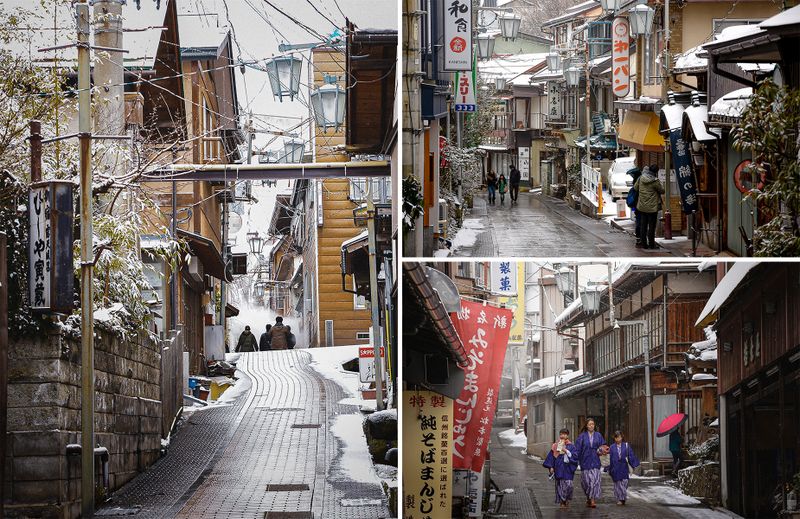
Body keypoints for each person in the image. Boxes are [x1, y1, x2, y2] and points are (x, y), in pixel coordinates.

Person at [543, 428, 579, 510]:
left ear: (568, 435)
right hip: (559, 467)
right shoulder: (555, 445)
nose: (563, 436)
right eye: (561, 434)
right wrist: (551, 467)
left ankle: (566, 499)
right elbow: (551, 457)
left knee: (569, 485)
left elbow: (575, 457)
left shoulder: (571, 446)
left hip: (568, 468)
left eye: (565, 434)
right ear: (560, 435)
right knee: (560, 485)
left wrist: (566, 451)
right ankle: (562, 501)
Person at [575, 417, 606, 508]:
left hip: (595, 461)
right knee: (586, 482)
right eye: (589, 424)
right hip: (585, 461)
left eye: (592, 424)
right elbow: (577, 450)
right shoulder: (582, 436)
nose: (591, 426)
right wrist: (575, 461)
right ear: (586, 426)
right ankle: (588, 497)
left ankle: (592, 500)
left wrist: (602, 450)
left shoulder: (598, 435)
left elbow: (603, 446)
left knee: (595, 481)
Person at [604, 430, 640, 505]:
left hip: (624, 467)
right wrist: (608, 467)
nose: (618, 439)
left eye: (619, 437)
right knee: (618, 484)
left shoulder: (626, 446)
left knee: (624, 483)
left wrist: (634, 464)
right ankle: (620, 499)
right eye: (616, 437)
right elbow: (609, 459)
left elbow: (630, 455)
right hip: (615, 467)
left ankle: (622, 497)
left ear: (622, 437)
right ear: (614, 438)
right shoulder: (612, 447)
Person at [634, 165, 665, 249]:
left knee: (643, 225)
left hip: (642, 206)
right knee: (652, 226)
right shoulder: (655, 181)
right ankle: (651, 244)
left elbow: (635, 188)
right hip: (652, 208)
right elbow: (662, 191)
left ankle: (644, 244)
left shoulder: (641, 178)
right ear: (656, 172)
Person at [625, 168, 643, 247]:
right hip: (641, 205)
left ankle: (638, 238)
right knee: (642, 222)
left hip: (636, 206)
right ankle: (642, 238)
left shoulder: (636, 183)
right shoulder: (639, 182)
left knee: (638, 221)